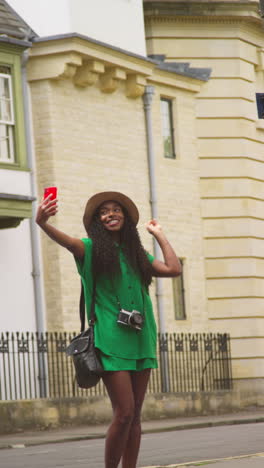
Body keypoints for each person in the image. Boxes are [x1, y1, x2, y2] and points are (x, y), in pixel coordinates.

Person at [36, 190, 182, 468]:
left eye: (116, 210)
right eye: (103, 211)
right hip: (110, 339)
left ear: (125, 218)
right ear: (96, 221)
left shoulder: (137, 255)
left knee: (136, 415)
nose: (110, 214)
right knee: (124, 413)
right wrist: (42, 223)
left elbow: (174, 269)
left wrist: (159, 234)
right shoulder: (88, 249)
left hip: (141, 338)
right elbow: (66, 242)